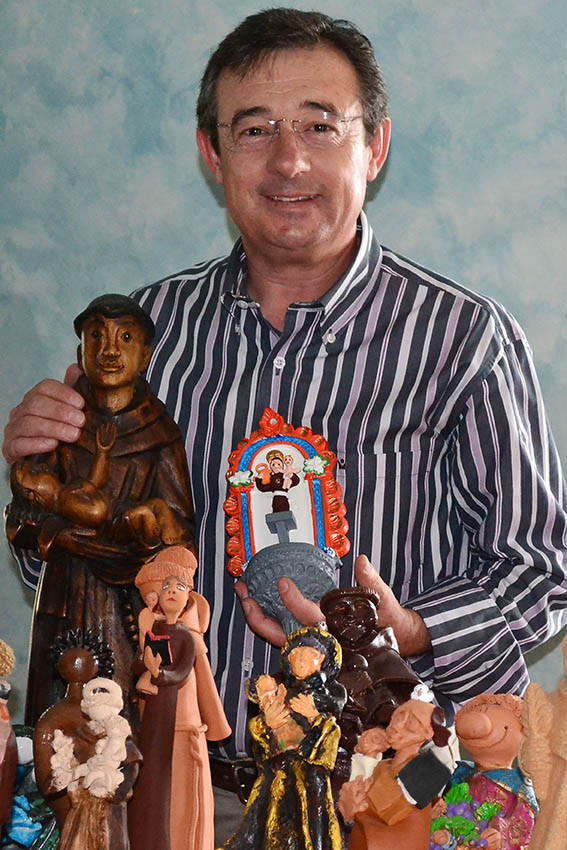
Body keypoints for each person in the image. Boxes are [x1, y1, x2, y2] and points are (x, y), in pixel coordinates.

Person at [3, 4, 567, 834]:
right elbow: (66, 572)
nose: (288, 160)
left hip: (380, 801)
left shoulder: (462, 338)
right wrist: (39, 485)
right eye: (255, 128)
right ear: (212, 153)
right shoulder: (140, 336)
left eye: (320, 125)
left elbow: (538, 572)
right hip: (172, 792)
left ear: (373, 146)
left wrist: (414, 630)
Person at [5, 293, 195, 727]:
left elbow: (179, 537)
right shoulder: (62, 424)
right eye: (96, 337)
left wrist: (132, 534)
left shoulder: (159, 434)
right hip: (63, 598)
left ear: (145, 355)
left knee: (122, 721)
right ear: (80, 353)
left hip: (127, 605)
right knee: (55, 719)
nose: (109, 350)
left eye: (125, 338)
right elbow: (21, 519)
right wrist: (56, 527)